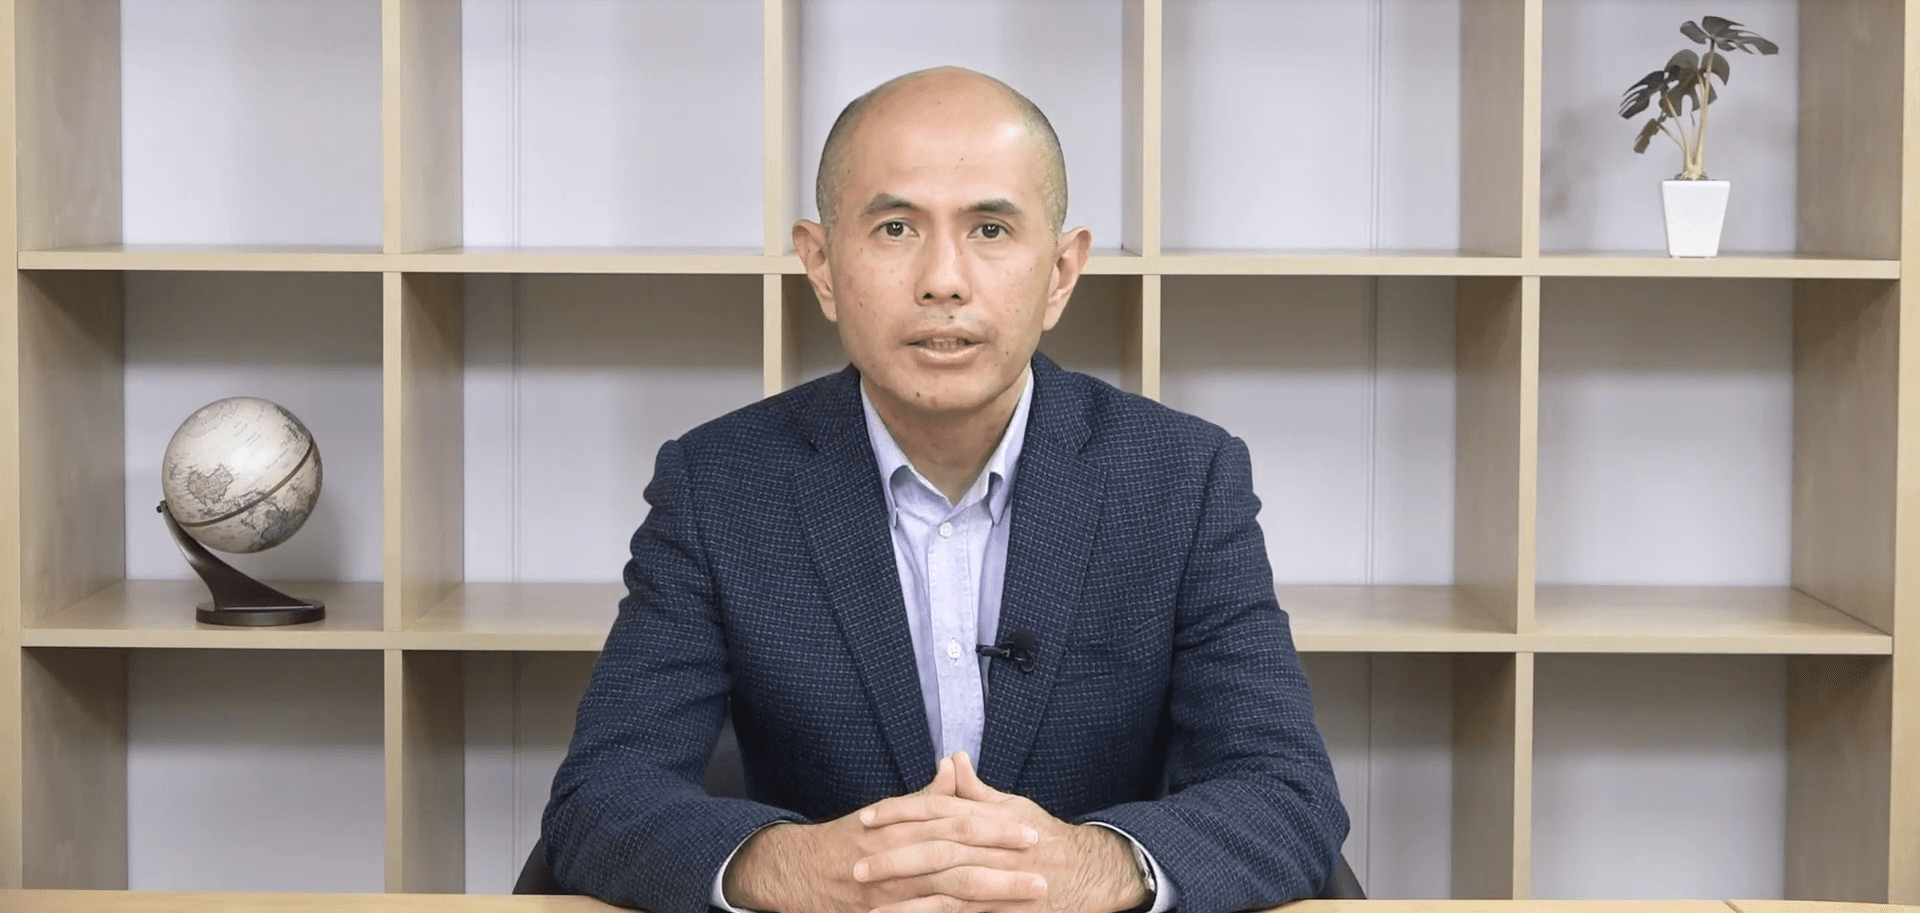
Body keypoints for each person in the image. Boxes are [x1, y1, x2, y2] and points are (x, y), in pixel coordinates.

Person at [540, 66, 1348, 913]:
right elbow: (601, 796)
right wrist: (799, 867)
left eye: (990, 229)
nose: (944, 280)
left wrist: (1088, 867)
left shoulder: (1184, 479)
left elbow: (1287, 793)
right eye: (895, 227)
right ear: (821, 264)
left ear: (1061, 271)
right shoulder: (718, 485)